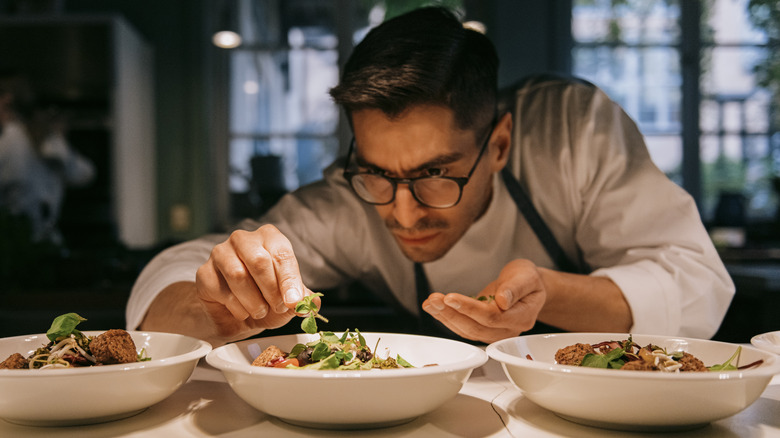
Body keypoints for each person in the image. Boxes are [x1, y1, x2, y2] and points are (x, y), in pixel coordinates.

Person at [127, 7, 734, 347]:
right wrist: (226, 302)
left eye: (434, 175)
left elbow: (696, 282)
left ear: (498, 145)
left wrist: (551, 291)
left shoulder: (573, 131)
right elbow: (173, 278)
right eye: (377, 173)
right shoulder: (352, 202)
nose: (404, 211)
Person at [0, 71, 95, 247]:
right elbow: (84, 174)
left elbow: (84, 174)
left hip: (18, 246)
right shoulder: (45, 138)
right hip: (46, 243)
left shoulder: (11, 143)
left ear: (6, 100)